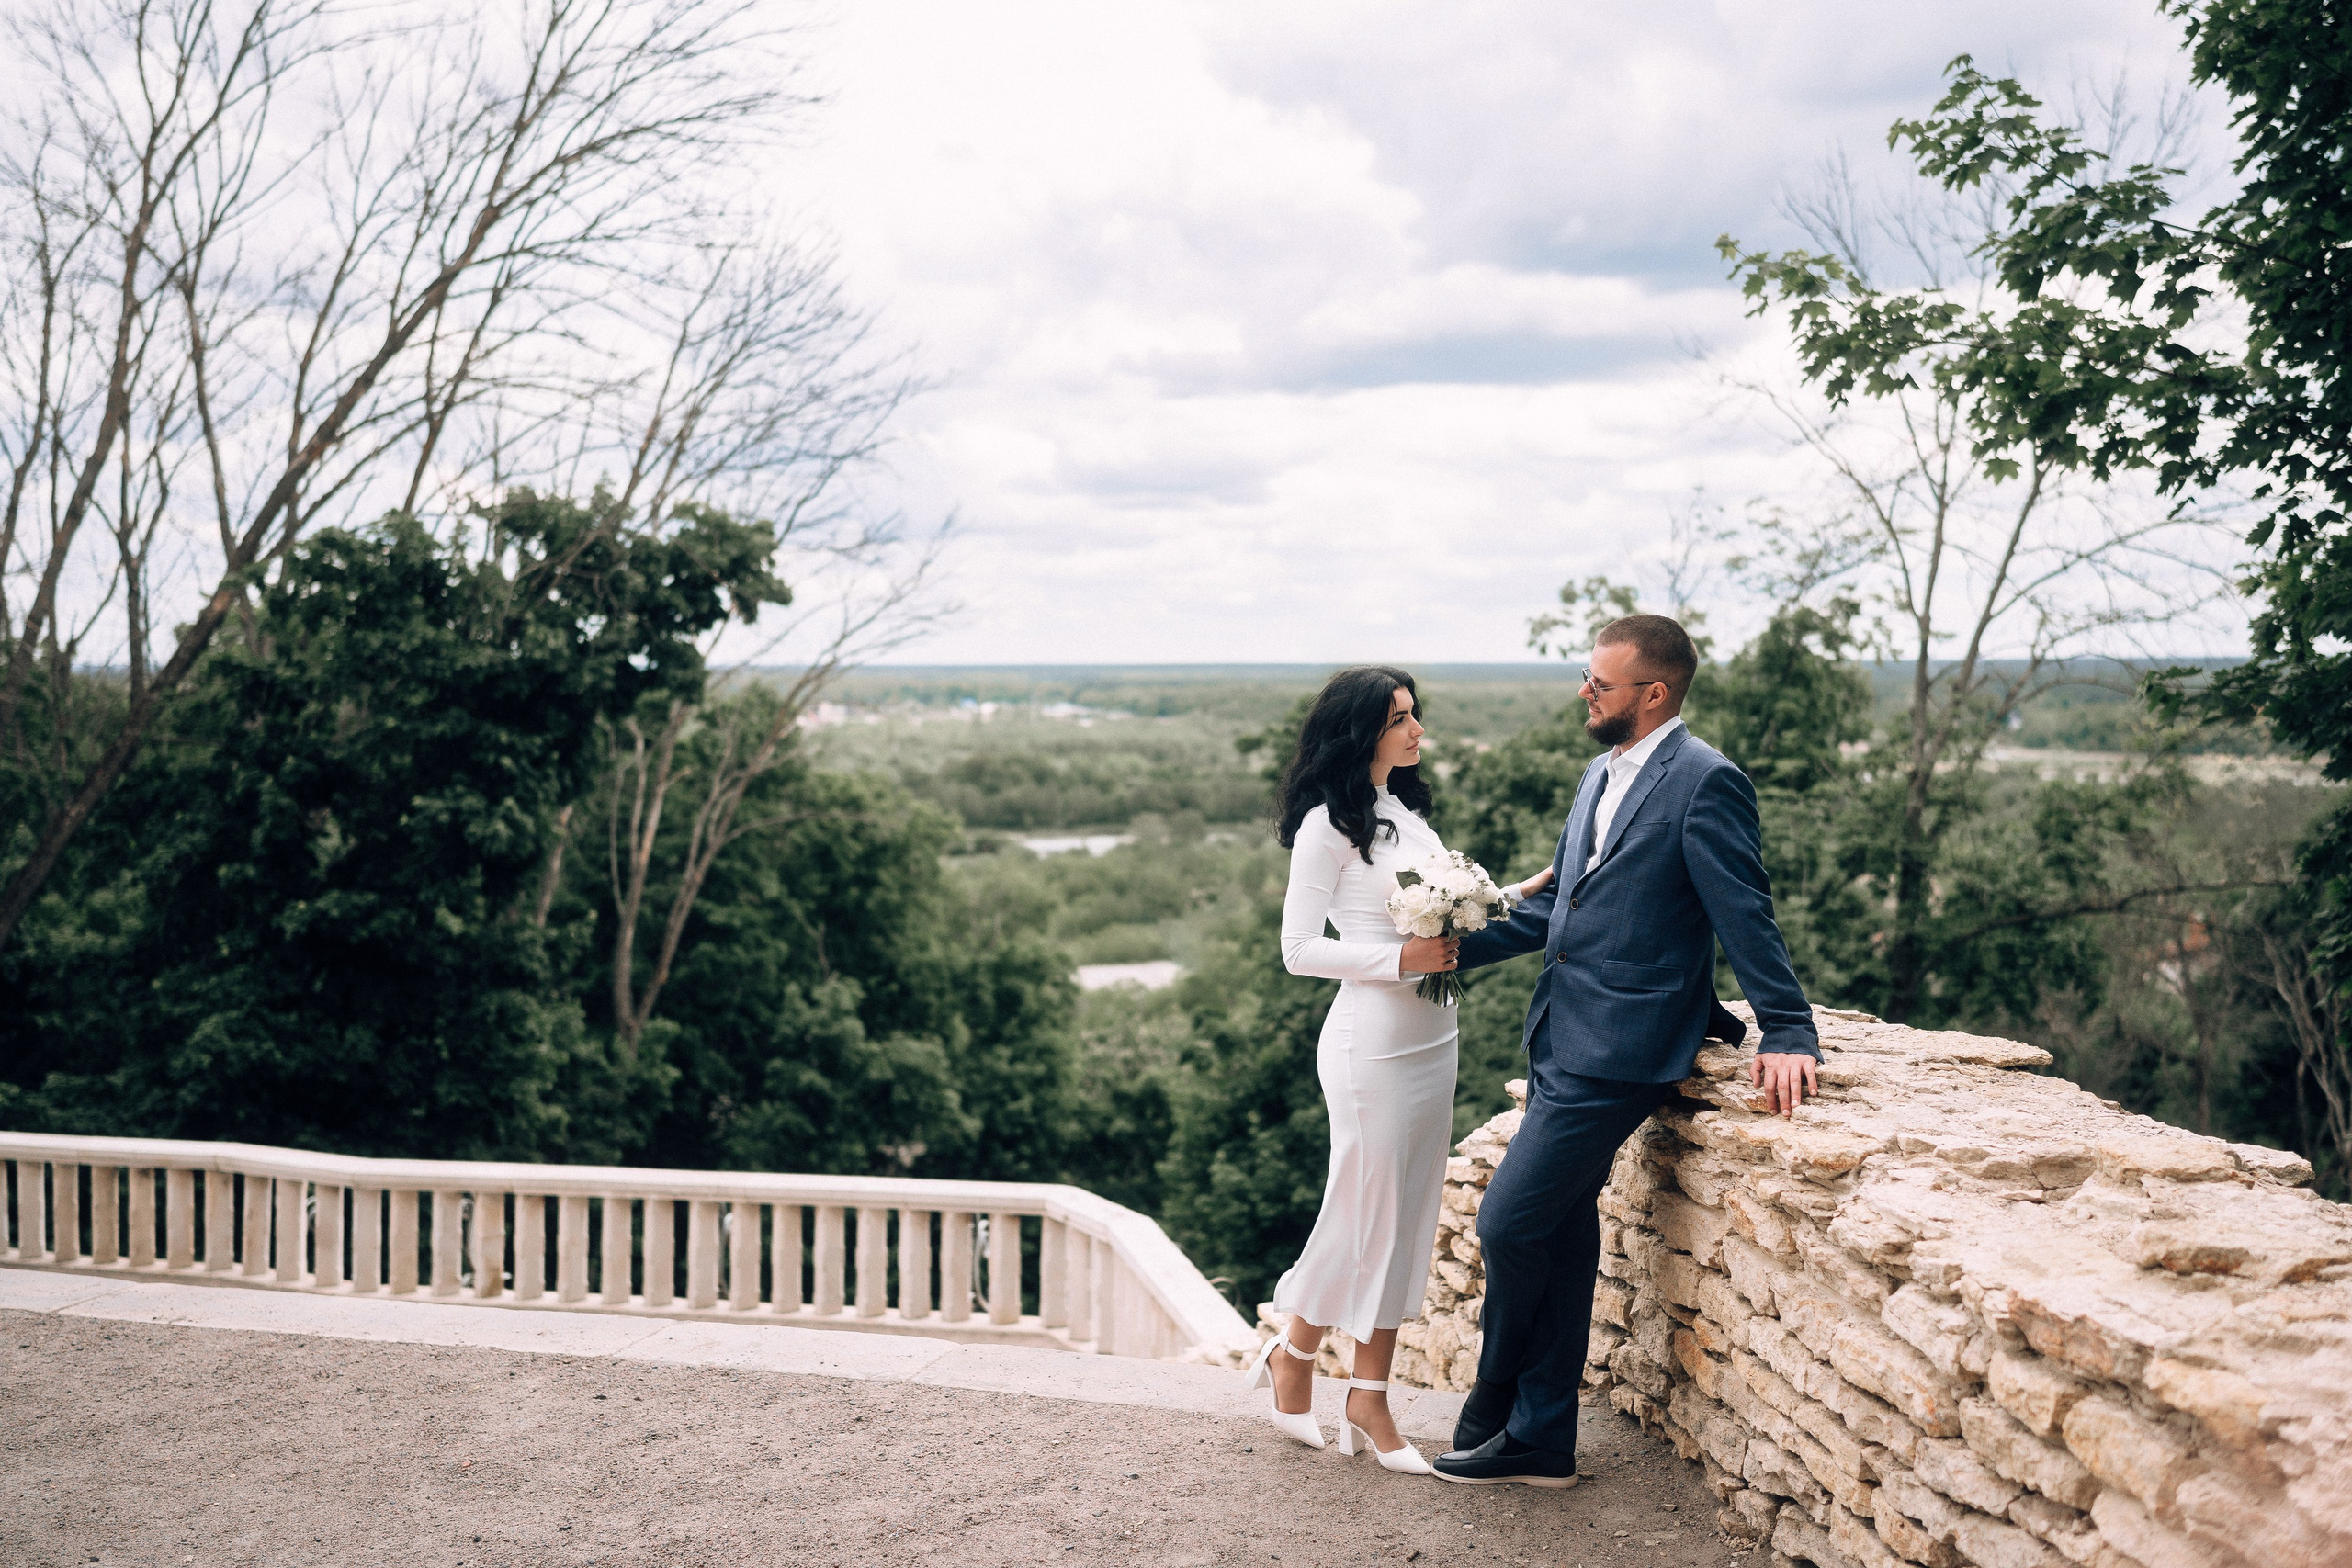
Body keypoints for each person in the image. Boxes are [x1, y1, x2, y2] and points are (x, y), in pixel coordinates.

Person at [1430, 615, 1821, 1488]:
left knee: (1507, 1222)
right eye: (1587, 675)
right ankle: (1540, 1438)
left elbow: (1744, 911)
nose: (1584, 692)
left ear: (1654, 693)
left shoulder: (1707, 780)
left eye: (1600, 684)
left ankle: (1495, 1398)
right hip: (1560, 1031)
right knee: (1562, 1235)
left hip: (1626, 1045)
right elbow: (1560, 906)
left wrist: (1789, 1028)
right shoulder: (1599, 772)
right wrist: (1447, 947)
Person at [1243, 666, 1554, 1475]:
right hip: (1371, 1044)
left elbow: (1455, 913)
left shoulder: (1406, 816)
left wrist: (1518, 893)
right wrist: (1399, 959)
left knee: (1406, 1211)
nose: (1418, 731)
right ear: (1361, 731)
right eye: (1401, 718)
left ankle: (1296, 1355)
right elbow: (1298, 948)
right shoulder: (1327, 826)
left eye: (1415, 714)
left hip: (1433, 1038)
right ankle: (1364, 1393)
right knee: (1370, 1210)